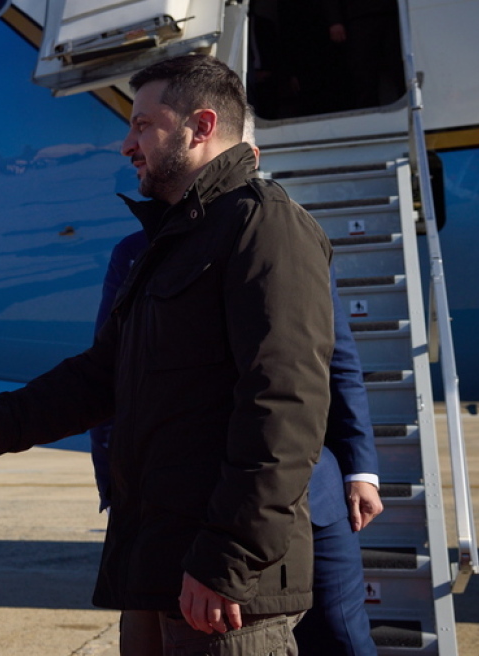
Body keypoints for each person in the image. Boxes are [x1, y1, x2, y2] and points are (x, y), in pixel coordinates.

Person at [0, 54, 334, 654]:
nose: (126, 145)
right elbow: (103, 374)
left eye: (143, 125)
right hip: (160, 568)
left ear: (202, 126)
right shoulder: (175, 240)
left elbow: (284, 409)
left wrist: (227, 561)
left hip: (222, 590)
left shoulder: (264, 229)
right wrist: (0, 423)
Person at [89, 114, 383, 655]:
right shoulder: (134, 254)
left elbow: (330, 365)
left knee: (342, 637)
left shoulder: (282, 233)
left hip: (312, 494)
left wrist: (361, 466)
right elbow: (111, 374)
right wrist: (118, 483)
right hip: (192, 508)